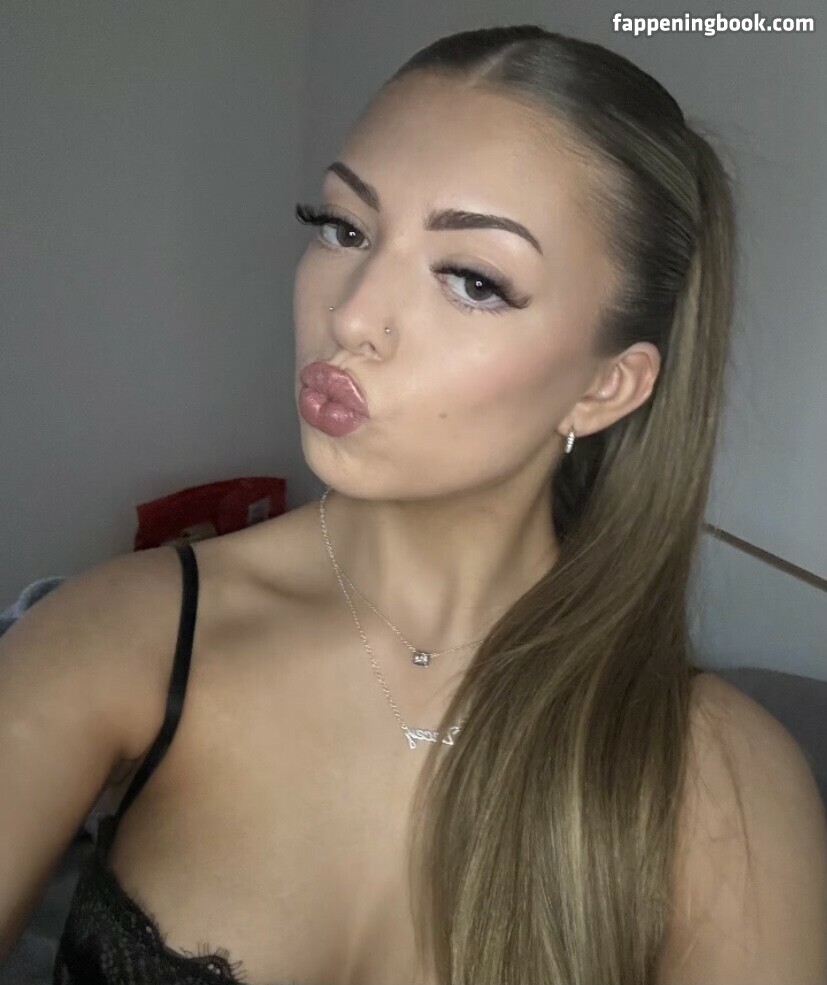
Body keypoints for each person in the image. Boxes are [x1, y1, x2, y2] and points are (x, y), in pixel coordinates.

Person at [1, 22, 825, 985]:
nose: (350, 315)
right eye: (343, 229)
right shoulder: (117, 634)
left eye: (472, 280)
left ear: (604, 387)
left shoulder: (721, 784)